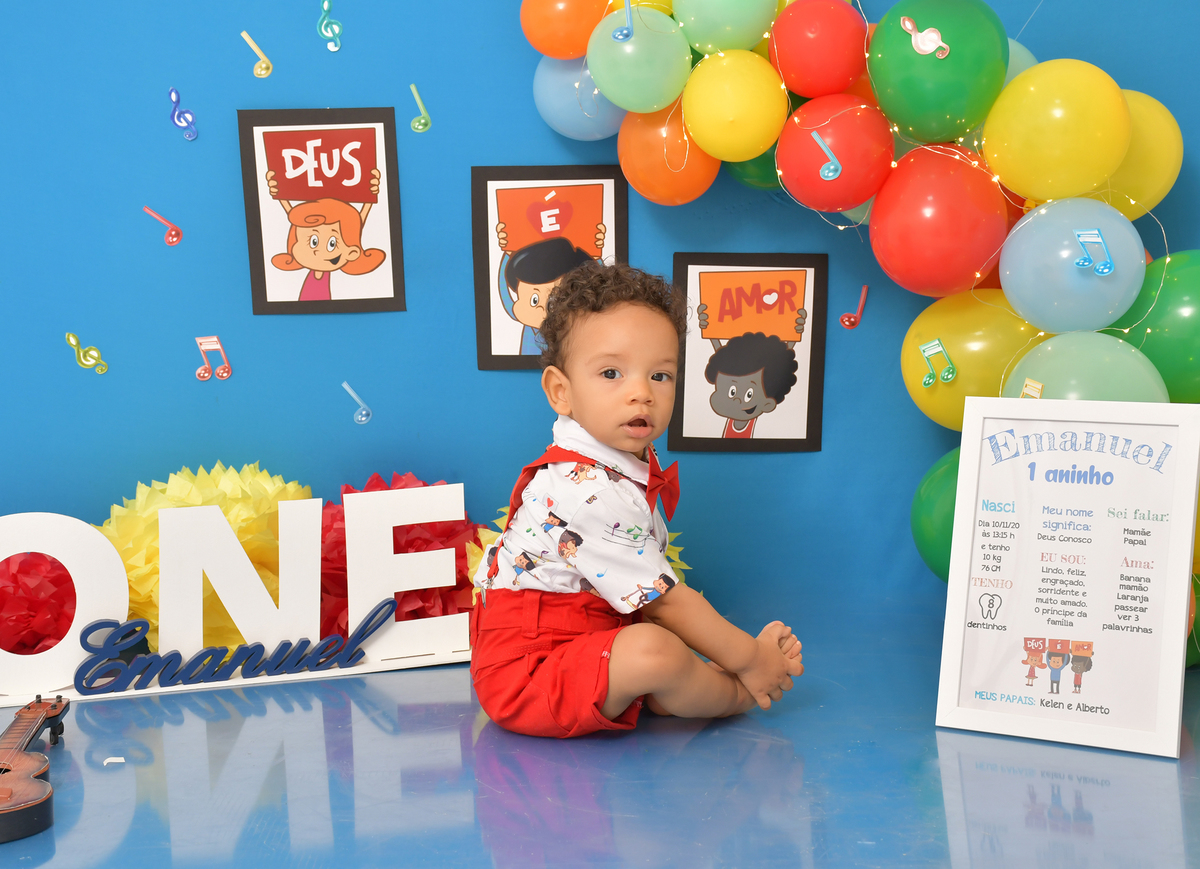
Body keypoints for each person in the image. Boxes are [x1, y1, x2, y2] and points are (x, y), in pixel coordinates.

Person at [470, 261, 803, 738]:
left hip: (590, 639)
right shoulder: (586, 489)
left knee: (658, 641)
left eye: (660, 376)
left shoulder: (617, 464)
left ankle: (678, 690)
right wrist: (750, 658)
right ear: (561, 392)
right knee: (654, 648)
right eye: (611, 373)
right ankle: (738, 692)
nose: (641, 393)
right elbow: (665, 603)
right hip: (528, 676)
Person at [266, 169, 386, 301]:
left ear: (351, 252)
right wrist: (279, 191)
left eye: (332, 244)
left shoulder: (349, 285)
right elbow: (293, 215)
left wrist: (370, 194)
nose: (317, 251)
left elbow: (356, 224)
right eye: (313, 241)